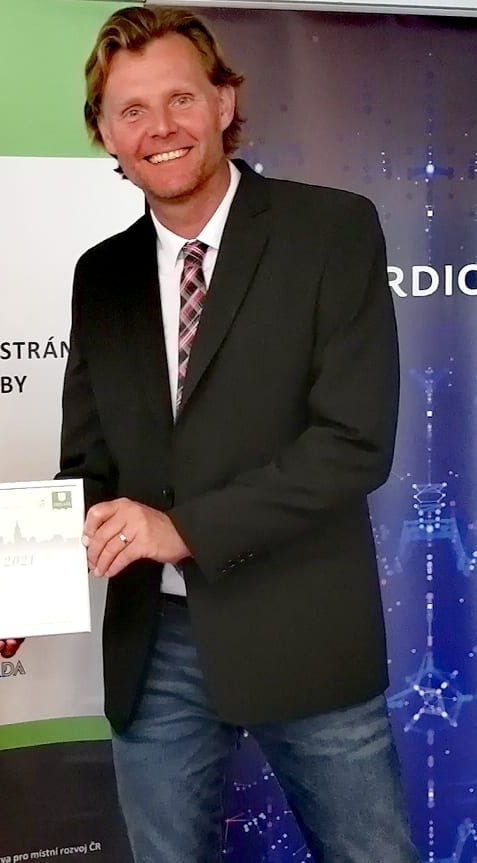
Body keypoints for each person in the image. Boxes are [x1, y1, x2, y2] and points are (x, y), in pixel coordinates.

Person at [59, 6, 418, 861]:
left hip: (303, 628)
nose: (159, 128)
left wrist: (182, 527)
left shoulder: (329, 231)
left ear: (223, 102)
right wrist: (6, 586)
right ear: (105, 134)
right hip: (155, 647)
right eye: (131, 110)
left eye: (179, 98)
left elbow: (352, 441)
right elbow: (87, 463)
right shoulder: (100, 274)